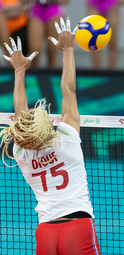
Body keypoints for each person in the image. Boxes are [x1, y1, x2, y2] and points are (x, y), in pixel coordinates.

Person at [0, 17, 101, 254]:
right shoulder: (66, 139)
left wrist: (19, 71)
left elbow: (20, 114)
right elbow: (69, 90)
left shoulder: (21, 152)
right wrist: (68, 50)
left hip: (45, 232)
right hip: (77, 227)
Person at [28, 0, 69, 68]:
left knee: (51, 50)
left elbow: (65, 1)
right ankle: (35, 76)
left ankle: (52, 76)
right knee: (34, 51)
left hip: (53, 11)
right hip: (36, 11)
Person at [86, 0, 121, 69]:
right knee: (94, 43)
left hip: (111, 3)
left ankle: (112, 73)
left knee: (112, 42)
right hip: (93, 4)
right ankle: (98, 73)